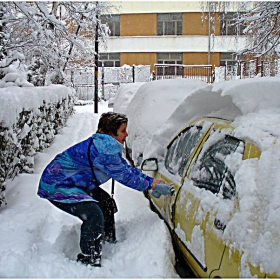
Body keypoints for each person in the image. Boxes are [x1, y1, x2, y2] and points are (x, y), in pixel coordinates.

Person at [37, 112, 173, 267]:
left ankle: (107, 240)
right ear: (110, 133)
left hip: (75, 183)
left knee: (106, 203)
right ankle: (89, 257)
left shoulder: (105, 145)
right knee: (94, 214)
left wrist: (151, 182)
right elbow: (126, 177)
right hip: (57, 186)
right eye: (123, 131)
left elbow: (125, 169)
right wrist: (152, 186)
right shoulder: (105, 149)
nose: (126, 134)